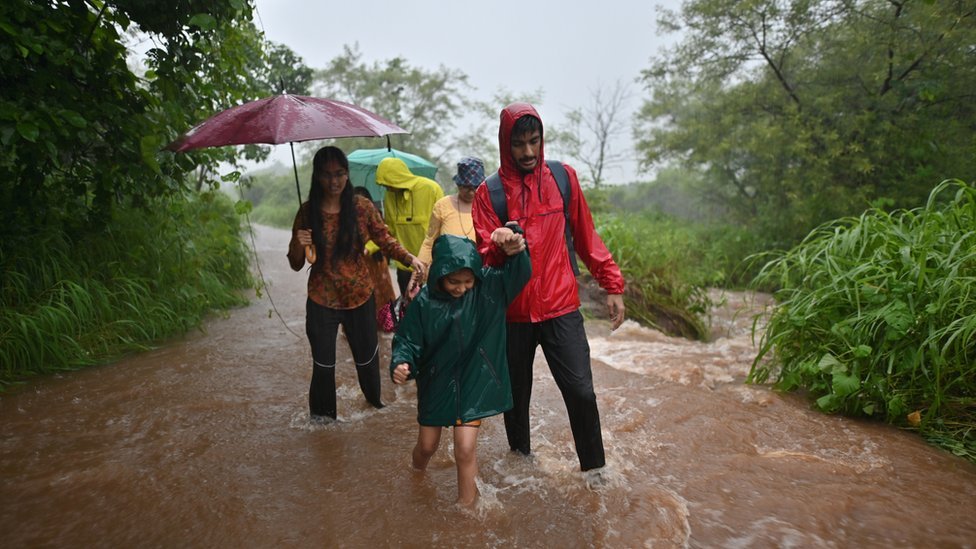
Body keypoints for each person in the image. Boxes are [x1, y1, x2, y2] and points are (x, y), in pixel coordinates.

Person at [471, 102, 626, 476]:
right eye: (519, 144)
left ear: (542, 140)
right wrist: (499, 245)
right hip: (512, 315)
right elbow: (482, 255)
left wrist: (612, 283)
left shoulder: (562, 179)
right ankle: (521, 467)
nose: (527, 152)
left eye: (534, 142)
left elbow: (587, 238)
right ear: (505, 145)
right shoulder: (488, 193)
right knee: (515, 400)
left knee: (581, 393)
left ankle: (596, 474)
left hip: (561, 307)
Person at [390, 230, 530, 506]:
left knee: (465, 449)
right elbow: (407, 339)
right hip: (436, 380)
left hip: (474, 379)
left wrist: (515, 244)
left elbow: (520, 272)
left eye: (467, 281)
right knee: (427, 446)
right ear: (439, 273)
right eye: (454, 281)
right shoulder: (424, 302)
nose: (461, 288)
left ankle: (465, 512)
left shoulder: (487, 289)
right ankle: (416, 473)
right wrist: (401, 362)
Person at [288, 146, 426, 421]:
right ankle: (323, 425)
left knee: (367, 362)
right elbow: (295, 263)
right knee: (323, 366)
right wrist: (297, 242)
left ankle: (375, 409)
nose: (334, 181)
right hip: (321, 300)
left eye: (339, 174)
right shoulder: (307, 213)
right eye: (327, 175)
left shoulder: (361, 208)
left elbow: (385, 239)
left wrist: (410, 258)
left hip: (360, 297)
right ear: (317, 176)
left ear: (347, 174)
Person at [375, 157, 444, 297]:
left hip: (430, 265)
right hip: (405, 266)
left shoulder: (431, 188)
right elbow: (390, 231)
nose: (386, 187)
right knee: (407, 311)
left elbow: (444, 226)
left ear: (397, 177)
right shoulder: (389, 196)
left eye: (388, 183)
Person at [416, 156, 485, 268]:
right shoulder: (443, 205)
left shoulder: (488, 206)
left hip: (478, 270)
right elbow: (429, 242)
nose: (471, 192)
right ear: (458, 184)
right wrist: (420, 268)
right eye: (466, 187)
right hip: (447, 270)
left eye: (476, 187)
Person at [352, 186, 398, 329]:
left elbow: (384, 238)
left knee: (383, 294)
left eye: (363, 198)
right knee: (360, 294)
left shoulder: (375, 214)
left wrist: (370, 247)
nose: (360, 202)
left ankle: (385, 324)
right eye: (357, 198)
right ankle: (361, 327)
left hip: (376, 261)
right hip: (358, 263)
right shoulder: (346, 218)